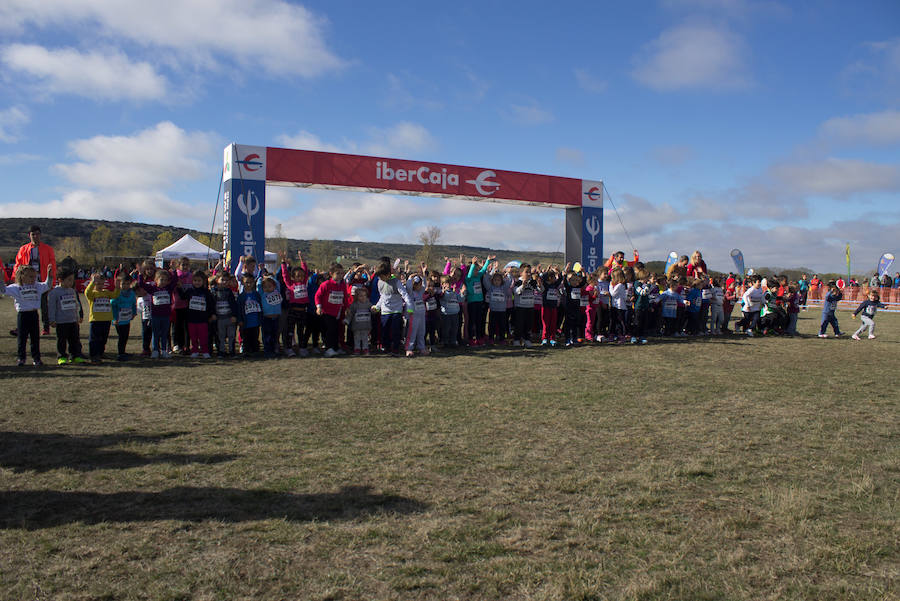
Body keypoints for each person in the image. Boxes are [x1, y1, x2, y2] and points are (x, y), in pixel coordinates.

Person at [1, 262, 52, 365]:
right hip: (23, 315)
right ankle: (21, 358)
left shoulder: (37, 286)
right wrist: (1, 279)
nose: (33, 279)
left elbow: (47, 285)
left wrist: (49, 275)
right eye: (30, 276)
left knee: (35, 338)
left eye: (35, 276)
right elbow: (3, 290)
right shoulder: (16, 287)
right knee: (22, 338)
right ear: (21, 276)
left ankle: (36, 358)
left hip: (34, 314)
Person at [12, 225, 57, 336]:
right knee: (25, 305)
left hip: (41, 282)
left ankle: (45, 328)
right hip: (26, 282)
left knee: (43, 305)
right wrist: (15, 279)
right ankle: (21, 328)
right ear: (29, 236)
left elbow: (53, 266)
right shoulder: (23, 249)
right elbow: (18, 265)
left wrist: (51, 281)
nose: (35, 236)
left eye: (37, 234)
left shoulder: (48, 249)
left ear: (40, 235)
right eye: (33, 234)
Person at [47, 267, 86, 365]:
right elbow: (51, 307)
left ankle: (75, 356)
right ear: (60, 279)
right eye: (69, 280)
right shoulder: (54, 293)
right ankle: (62, 356)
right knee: (61, 340)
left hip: (73, 320)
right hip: (61, 321)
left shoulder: (72, 291)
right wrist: (52, 319)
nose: (71, 282)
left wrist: (77, 316)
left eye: (72, 280)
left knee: (74, 340)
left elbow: (76, 304)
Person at [84, 272, 121, 364]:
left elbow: (115, 295)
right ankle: (94, 355)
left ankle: (101, 353)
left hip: (106, 320)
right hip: (96, 320)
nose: (100, 286)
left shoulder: (106, 292)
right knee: (94, 339)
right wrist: (92, 282)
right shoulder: (92, 294)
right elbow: (87, 292)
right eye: (98, 284)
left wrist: (117, 287)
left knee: (103, 338)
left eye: (102, 283)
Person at [110, 273, 138, 361]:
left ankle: (123, 351)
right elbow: (112, 305)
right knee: (121, 336)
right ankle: (120, 353)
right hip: (119, 319)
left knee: (125, 336)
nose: (125, 286)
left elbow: (133, 304)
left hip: (127, 319)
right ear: (119, 284)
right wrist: (114, 318)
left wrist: (134, 313)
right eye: (123, 284)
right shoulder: (117, 293)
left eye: (127, 284)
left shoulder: (132, 293)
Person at [345, 286, 374, 355]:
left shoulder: (369, 304)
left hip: (366, 325)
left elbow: (372, 310)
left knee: (365, 338)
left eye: (364, 295)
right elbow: (350, 314)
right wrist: (347, 320)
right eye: (361, 296)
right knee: (357, 338)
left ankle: (365, 349)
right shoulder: (354, 305)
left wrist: (374, 310)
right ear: (356, 297)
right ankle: (357, 349)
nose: (363, 297)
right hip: (357, 326)